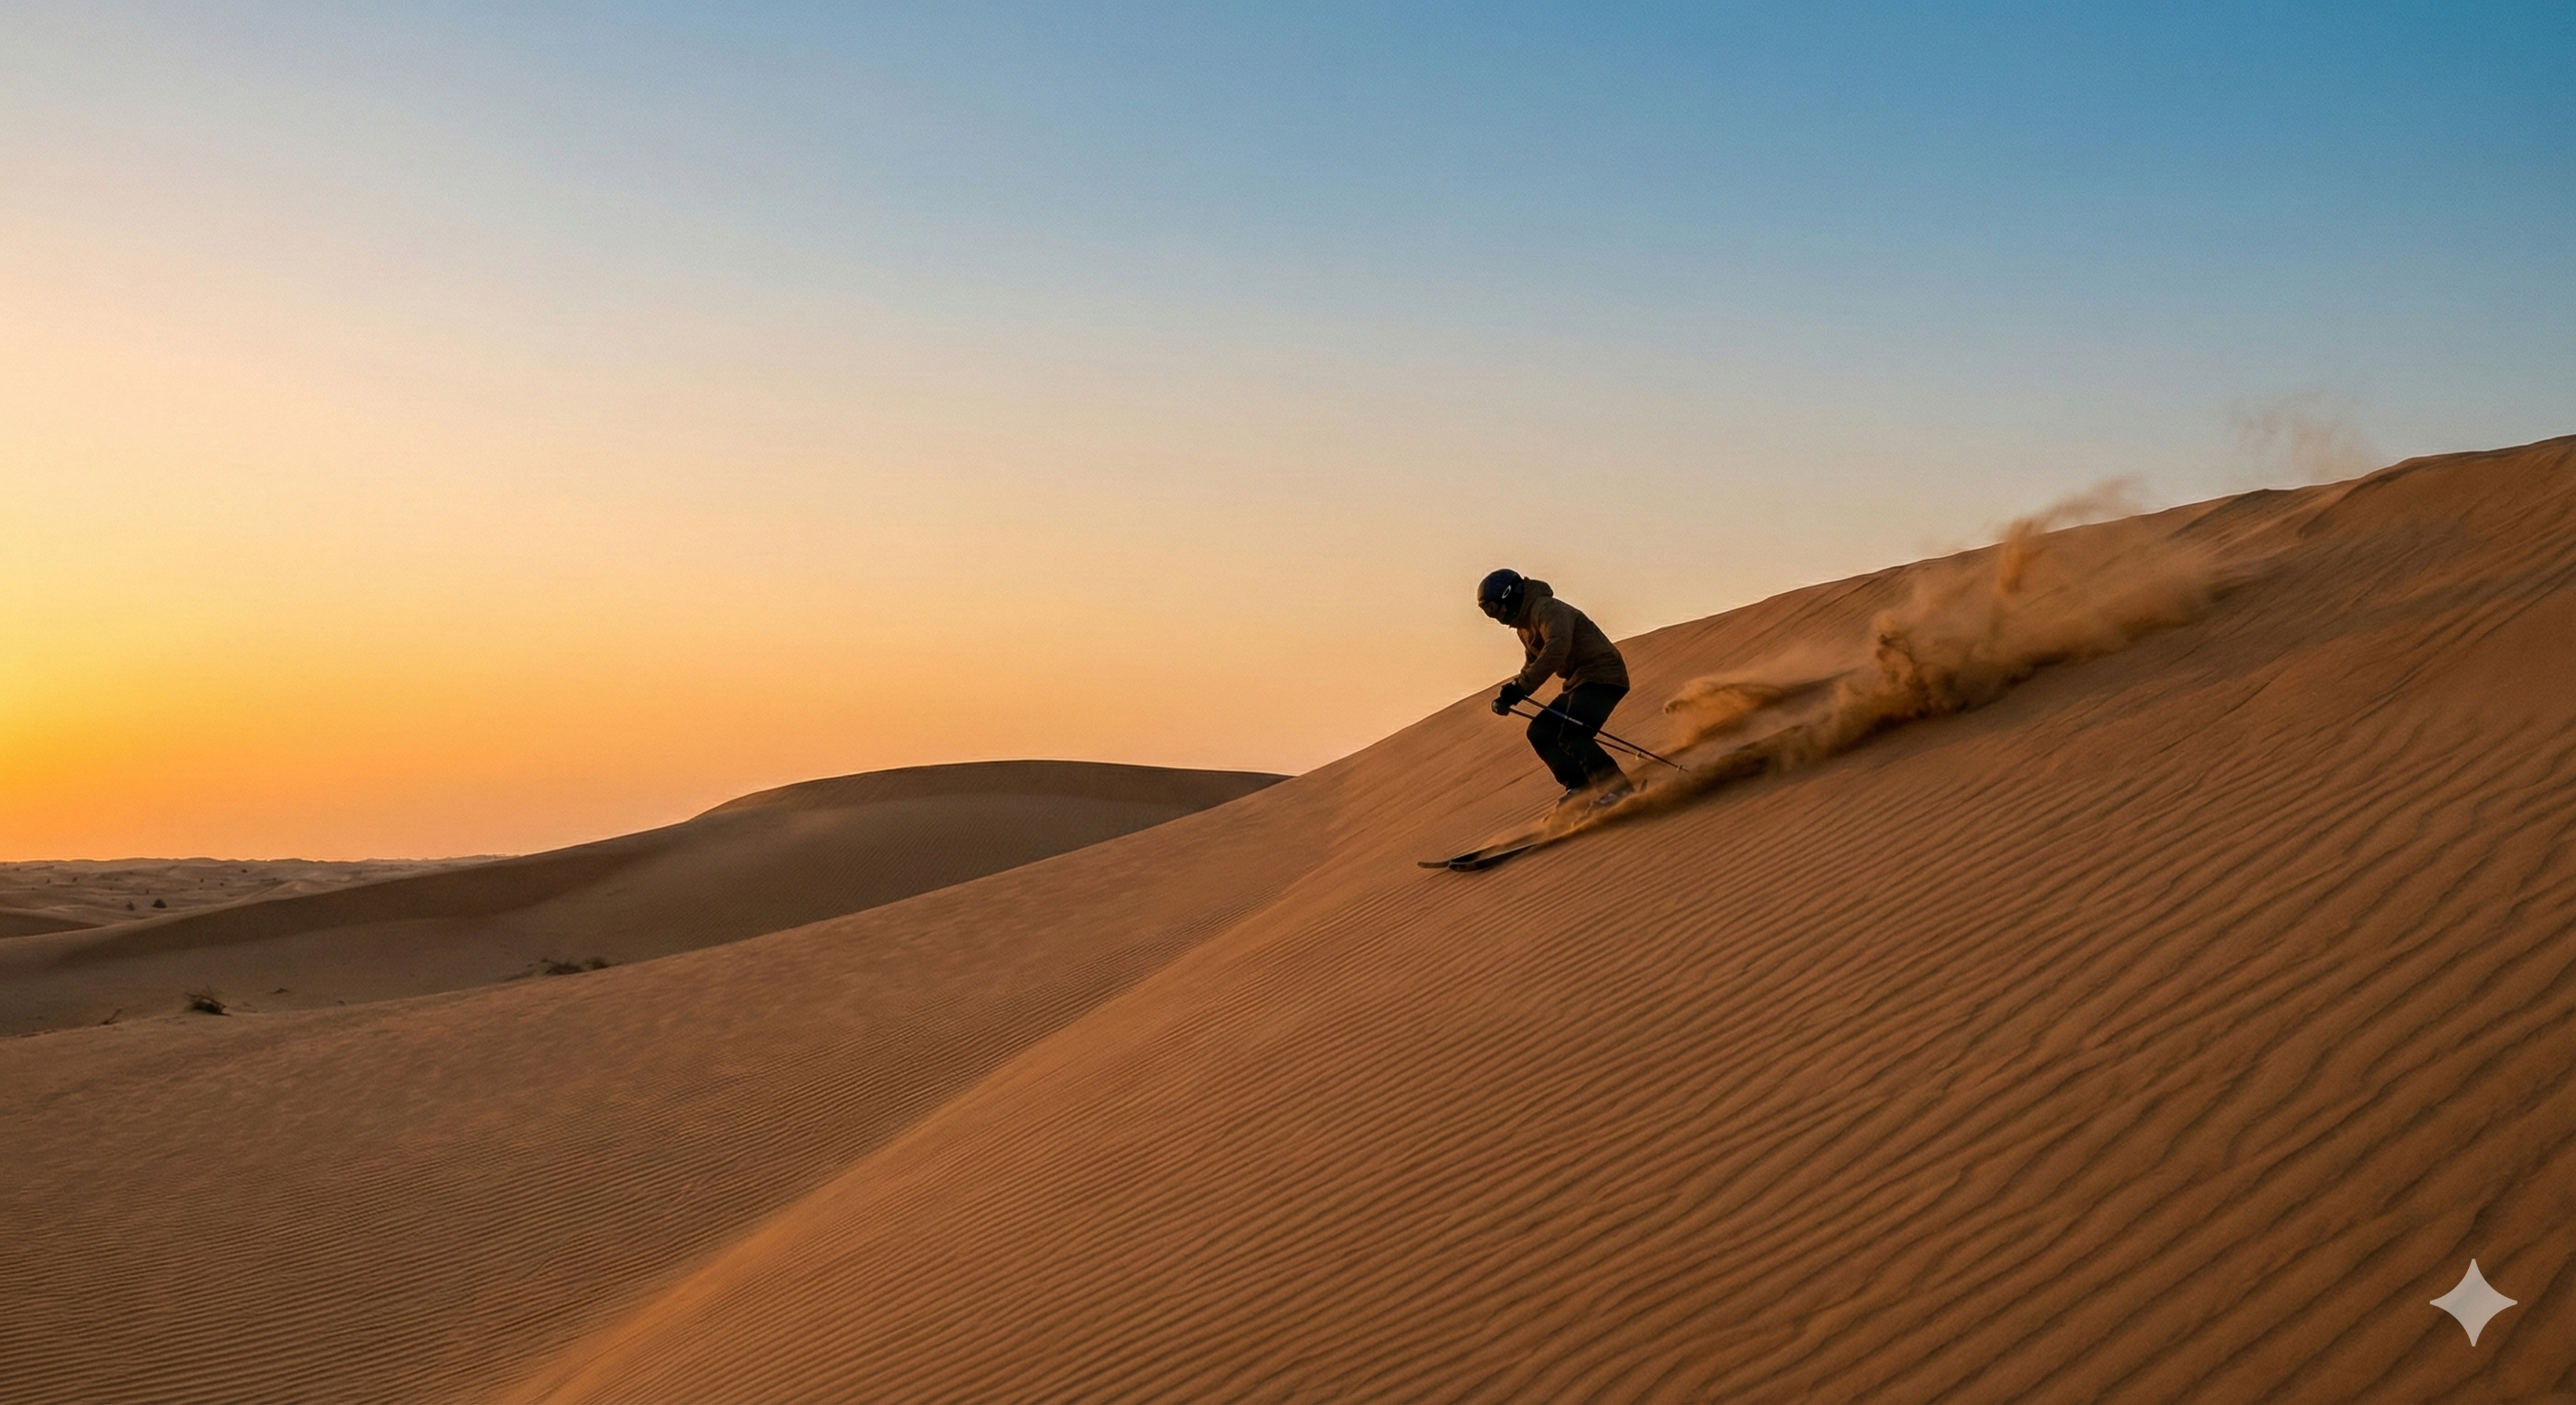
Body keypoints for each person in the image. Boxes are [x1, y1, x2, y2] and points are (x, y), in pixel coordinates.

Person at [1476, 568, 1635, 807]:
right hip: (1578, 683)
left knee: (1573, 735)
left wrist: (1521, 687)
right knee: (1540, 731)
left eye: (1492, 608)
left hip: (1603, 676)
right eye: (1486, 611)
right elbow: (1533, 662)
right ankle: (1581, 787)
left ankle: (1619, 791)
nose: (1494, 616)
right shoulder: (1525, 627)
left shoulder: (1547, 609)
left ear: (1508, 597)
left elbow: (1556, 649)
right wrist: (1514, 691)